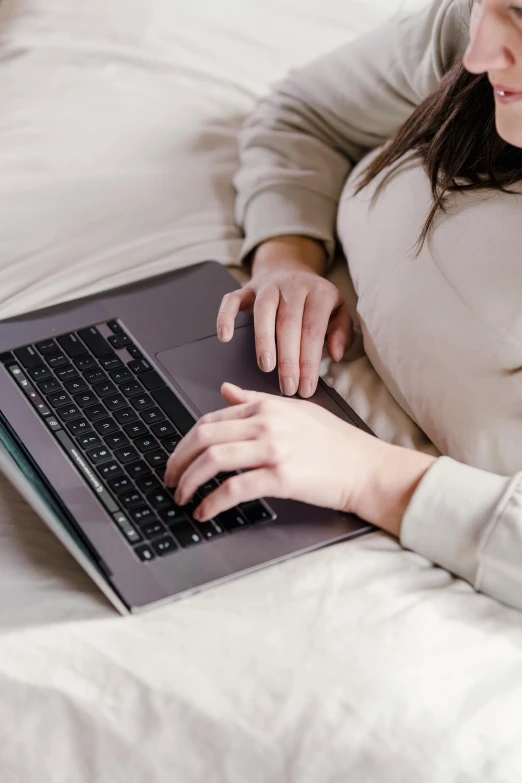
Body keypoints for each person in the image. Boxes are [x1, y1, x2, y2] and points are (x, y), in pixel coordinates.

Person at [165, 0, 522, 611]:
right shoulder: (471, 34)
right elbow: (303, 113)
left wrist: (368, 475)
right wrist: (288, 260)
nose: (477, 56)